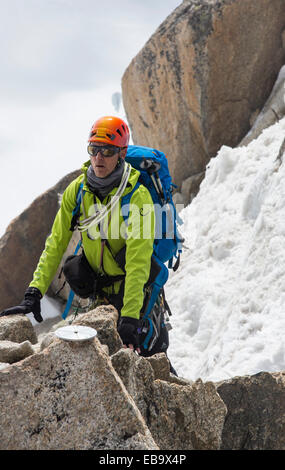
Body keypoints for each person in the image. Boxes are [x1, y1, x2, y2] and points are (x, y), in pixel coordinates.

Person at [0, 116, 175, 367]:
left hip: (137, 295)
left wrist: (130, 316)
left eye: (107, 151)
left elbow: (138, 261)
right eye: (94, 149)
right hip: (100, 295)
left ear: (122, 153)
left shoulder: (138, 197)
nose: (99, 158)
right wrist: (34, 291)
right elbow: (57, 242)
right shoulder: (79, 190)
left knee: (153, 362)